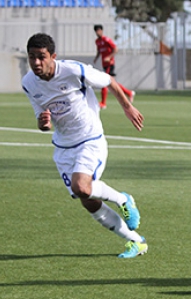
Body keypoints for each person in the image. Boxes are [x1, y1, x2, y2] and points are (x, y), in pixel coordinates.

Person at [22, 33, 147, 258]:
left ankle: (122, 199)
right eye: (32, 57)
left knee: (82, 188)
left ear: (53, 56)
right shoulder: (29, 83)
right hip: (63, 147)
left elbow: (109, 81)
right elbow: (42, 119)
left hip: (90, 139)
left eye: (41, 57)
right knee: (87, 201)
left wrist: (127, 107)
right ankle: (136, 242)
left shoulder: (73, 71)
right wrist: (43, 123)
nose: (36, 63)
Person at [93, 24, 135, 109]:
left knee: (105, 82)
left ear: (101, 31)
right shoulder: (97, 41)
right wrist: (96, 58)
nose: (98, 32)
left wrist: (109, 57)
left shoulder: (107, 40)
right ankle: (129, 92)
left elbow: (116, 49)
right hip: (104, 64)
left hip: (110, 64)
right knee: (112, 83)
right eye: (96, 31)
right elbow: (99, 51)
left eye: (99, 30)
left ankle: (103, 103)